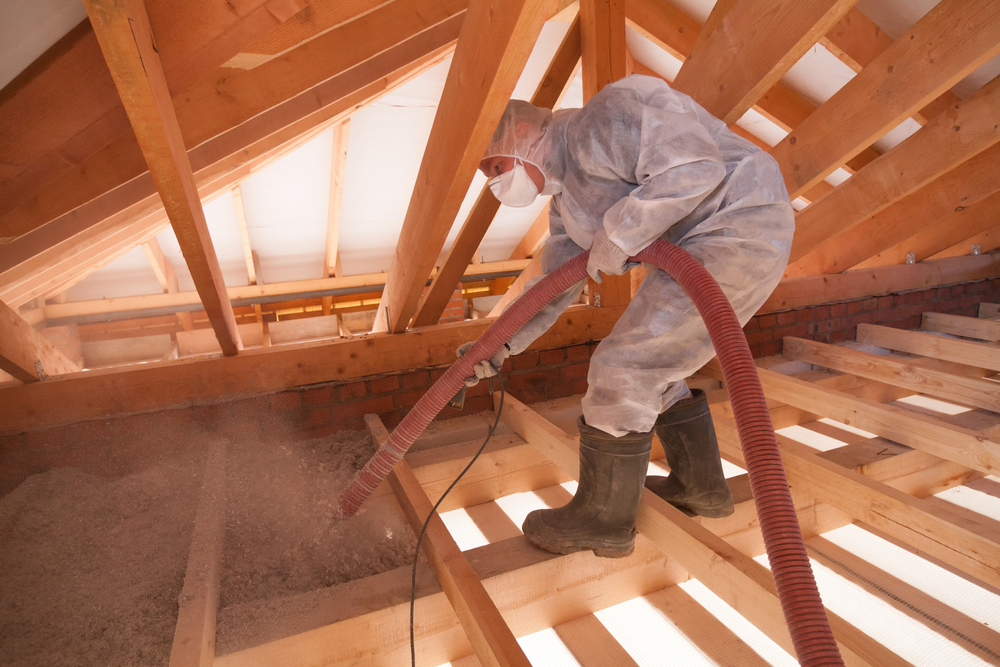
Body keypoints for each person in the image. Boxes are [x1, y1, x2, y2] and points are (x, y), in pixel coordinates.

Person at [462, 74, 795, 558]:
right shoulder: (568, 203)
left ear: (519, 135)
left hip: (739, 222)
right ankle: (699, 486)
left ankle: (604, 519)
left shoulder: (605, 118)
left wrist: (620, 233)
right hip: (700, 245)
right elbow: (549, 283)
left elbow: (693, 167)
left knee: (624, 366)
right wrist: (496, 344)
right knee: (653, 366)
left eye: (495, 166)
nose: (496, 183)